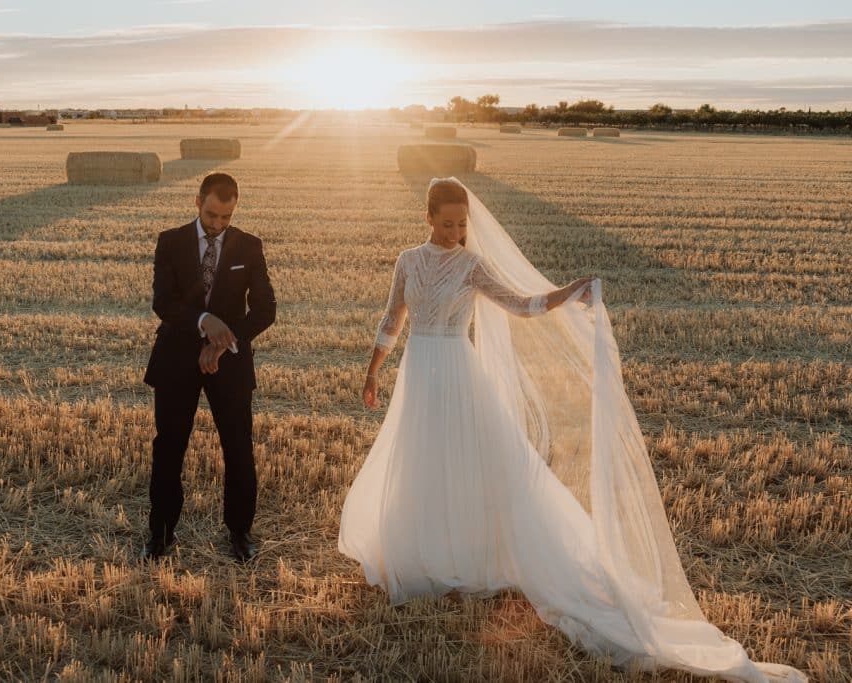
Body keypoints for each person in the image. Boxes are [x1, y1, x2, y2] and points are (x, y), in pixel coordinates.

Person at [338, 178, 805, 682]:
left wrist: (567, 294)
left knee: (471, 463)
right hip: (418, 371)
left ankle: (464, 560)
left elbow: (520, 304)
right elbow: (393, 316)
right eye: (447, 223)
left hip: (456, 370)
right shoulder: (408, 260)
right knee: (420, 460)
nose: (455, 231)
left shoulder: (473, 265)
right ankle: (423, 555)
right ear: (428, 218)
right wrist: (373, 370)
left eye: (461, 224)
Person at [142, 172, 276, 563]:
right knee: (168, 448)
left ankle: (240, 533)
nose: (217, 225)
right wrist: (205, 320)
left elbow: (266, 309)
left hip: (230, 362)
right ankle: (161, 534)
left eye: (226, 218)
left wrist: (223, 341)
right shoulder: (170, 241)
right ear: (197, 202)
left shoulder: (250, 247)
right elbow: (163, 302)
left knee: (238, 449)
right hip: (175, 358)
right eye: (212, 215)